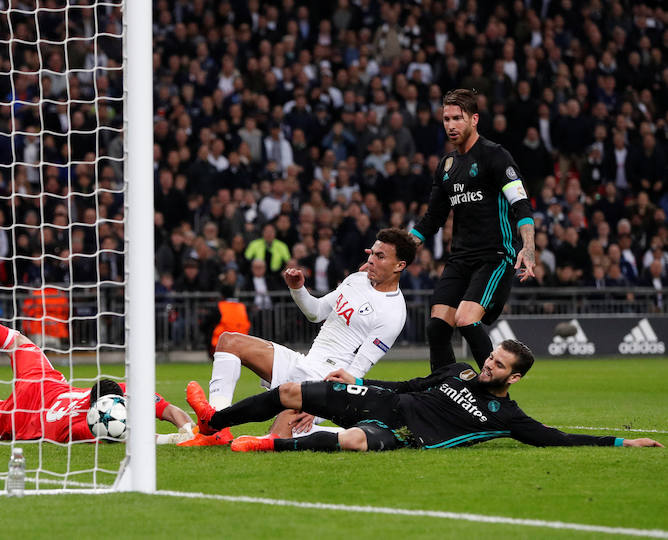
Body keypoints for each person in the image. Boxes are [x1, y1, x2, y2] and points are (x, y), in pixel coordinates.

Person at [184, 339, 663, 453]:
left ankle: (270, 445)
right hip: (382, 401)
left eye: (498, 365)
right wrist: (353, 384)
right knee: (291, 392)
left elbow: (552, 438)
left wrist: (619, 443)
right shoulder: (458, 371)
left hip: (403, 432)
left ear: (513, 379)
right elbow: (411, 385)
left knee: (351, 442)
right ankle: (213, 422)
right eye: (491, 357)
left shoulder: (506, 416)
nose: (489, 365)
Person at [0, 281, 194, 444]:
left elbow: (159, 414)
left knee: (16, 341)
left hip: (44, 387)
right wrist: (184, 432)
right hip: (26, 423)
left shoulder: (110, 399)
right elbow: (156, 422)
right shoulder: (92, 424)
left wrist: (184, 430)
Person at [189, 228, 416, 446]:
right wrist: (298, 289)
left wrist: (320, 403)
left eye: (380, 256)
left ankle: (353, 432)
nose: (372, 260)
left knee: (278, 436)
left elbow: (356, 372)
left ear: (399, 265)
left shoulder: (393, 313)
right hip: (304, 362)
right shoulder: (357, 279)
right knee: (229, 341)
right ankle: (216, 429)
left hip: (325, 382)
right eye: (373, 253)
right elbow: (316, 312)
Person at [409, 89, 536, 371]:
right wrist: (398, 249)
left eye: (458, 118)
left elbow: (521, 204)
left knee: (466, 319)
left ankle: (497, 396)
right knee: (437, 326)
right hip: (460, 258)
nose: (451, 125)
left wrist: (528, 247)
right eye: (446, 119)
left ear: (474, 119)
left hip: (495, 256)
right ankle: (445, 393)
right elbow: (432, 219)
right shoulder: (446, 166)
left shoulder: (495, 155)